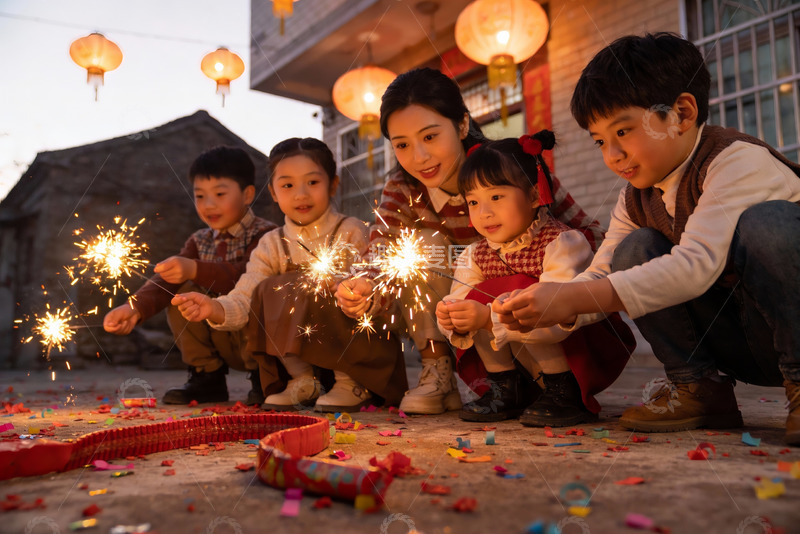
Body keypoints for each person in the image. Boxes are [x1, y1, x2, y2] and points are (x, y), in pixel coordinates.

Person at [495, 33, 800, 444]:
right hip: (740, 340)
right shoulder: (636, 197)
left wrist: (573, 299)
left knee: (770, 222)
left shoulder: (737, 161)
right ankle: (698, 387)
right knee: (633, 249)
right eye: (600, 141)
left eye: (624, 131)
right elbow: (601, 271)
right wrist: (550, 301)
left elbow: (694, 266)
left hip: (782, 331)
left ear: (681, 113)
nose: (612, 155)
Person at [336, 67, 606, 415]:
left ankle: (555, 382)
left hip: (545, 320)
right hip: (473, 326)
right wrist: (363, 284)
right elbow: (382, 253)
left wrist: (544, 263)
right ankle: (440, 371)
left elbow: (591, 234)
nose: (419, 157)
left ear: (462, 125)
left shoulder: (506, 168)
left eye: (430, 137)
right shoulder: (403, 188)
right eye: (402, 145)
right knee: (420, 245)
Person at [172, 138, 406, 412]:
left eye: (313, 183)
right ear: (272, 192)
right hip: (305, 357)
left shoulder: (351, 231)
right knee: (269, 289)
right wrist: (213, 308)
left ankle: (351, 382)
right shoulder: (272, 243)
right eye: (287, 185)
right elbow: (246, 297)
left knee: (331, 286)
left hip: (353, 355)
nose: (300, 195)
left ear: (333, 184)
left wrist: (357, 293)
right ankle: (302, 379)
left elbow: (382, 290)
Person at [435, 132, 633, 425]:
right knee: (471, 298)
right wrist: (451, 314)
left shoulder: (562, 243)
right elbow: (460, 296)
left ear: (532, 195)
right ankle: (506, 386)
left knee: (527, 294)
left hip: (575, 346)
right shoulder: (475, 254)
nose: (485, 213)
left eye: (496, 197)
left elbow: (559, 310)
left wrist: (487, 317)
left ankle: (564, 390)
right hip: (521, 356)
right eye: (473, 202)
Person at [103, 146, 276, 405]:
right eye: (200, 196)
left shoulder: (267, 236)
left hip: (256, 341)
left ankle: (265, 378)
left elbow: (244, 275)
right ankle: (207, 376)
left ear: (248, 194)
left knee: (260, 294)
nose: (209, 205)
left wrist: (194, 268)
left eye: (219, 194)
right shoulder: (199, 240)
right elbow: (166, 280)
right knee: (180, 294)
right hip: (219, 339)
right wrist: (134, 307)